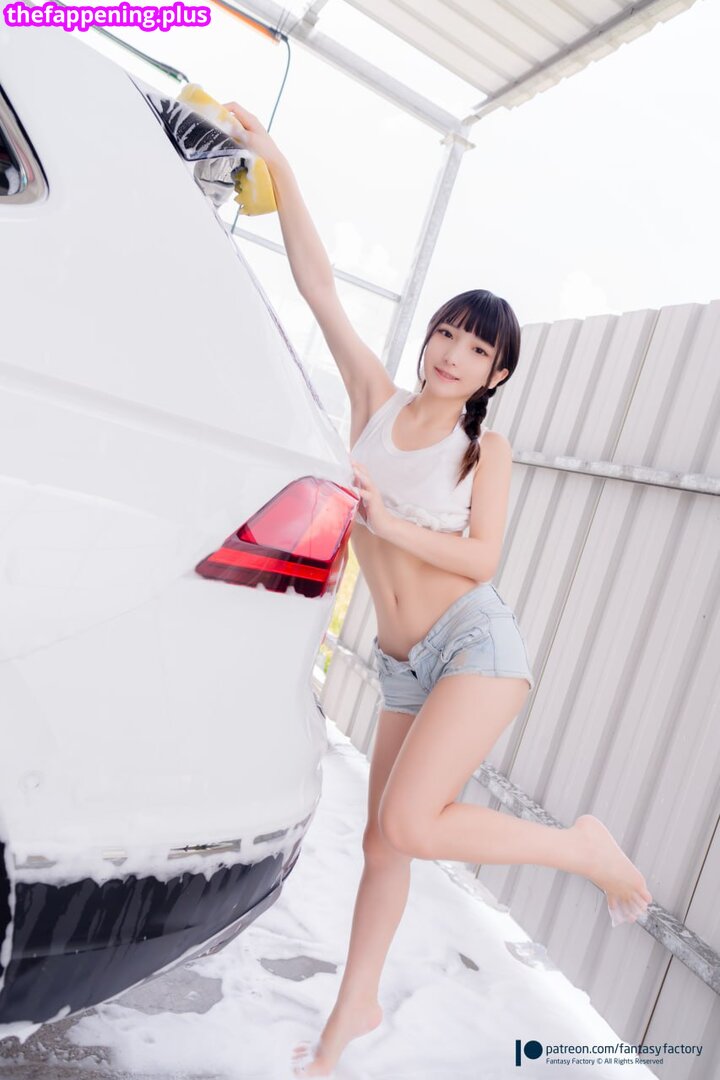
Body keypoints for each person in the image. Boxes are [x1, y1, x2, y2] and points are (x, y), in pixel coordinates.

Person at [222, 102, 653, 1079]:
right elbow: (319, 285)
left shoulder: (482, 450)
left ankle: (582, 848)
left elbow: (482, 559)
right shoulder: (375, 405)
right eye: (447, 333)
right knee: (384, 845)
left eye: (477, 349)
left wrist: (386, 521)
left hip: (473, 648)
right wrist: (277, 156)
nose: (454, 353)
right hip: (403, 665)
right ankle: (352, 1013)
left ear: (495, 374)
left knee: (411, 823)